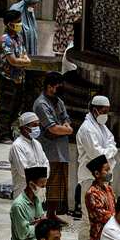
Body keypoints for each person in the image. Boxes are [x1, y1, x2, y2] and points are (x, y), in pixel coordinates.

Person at [75, 97, 117, 240]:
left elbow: (112, 143)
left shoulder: (101, 127)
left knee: (104, 210)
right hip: (89, 176)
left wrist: (108, 151)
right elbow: (96, 154)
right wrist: (110, 152)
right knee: (88, 212)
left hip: (103, 176)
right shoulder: (87, 129)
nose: (106, 114)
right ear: (95, 110)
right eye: (104, 111)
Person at [35, 72, 75, 216]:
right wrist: (66, 130)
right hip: (49, 150)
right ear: (49, 87)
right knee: (49, 183)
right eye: (57, 87)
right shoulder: (41, 104)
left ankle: (53, 214)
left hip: (61, 150)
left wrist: (65, 128)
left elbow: (66, 120)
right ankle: (43, 214)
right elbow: (52, 128)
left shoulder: (58, 101)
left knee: (58, 186)